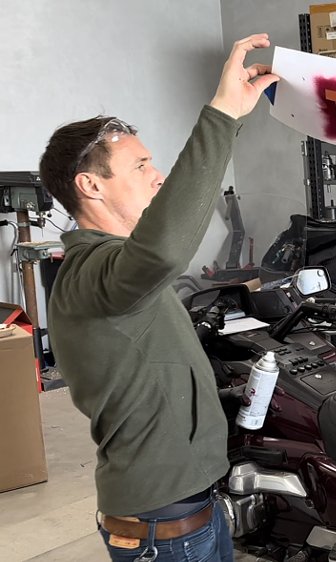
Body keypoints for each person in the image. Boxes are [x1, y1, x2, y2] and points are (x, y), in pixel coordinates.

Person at [38, 34, 279, 562]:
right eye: (141, 166)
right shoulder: (93, 273)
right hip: (164, 530)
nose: (158, 176)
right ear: (91, 186)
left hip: (190, 511)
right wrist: (221, 116)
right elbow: (164, 250)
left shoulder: (115, 268)